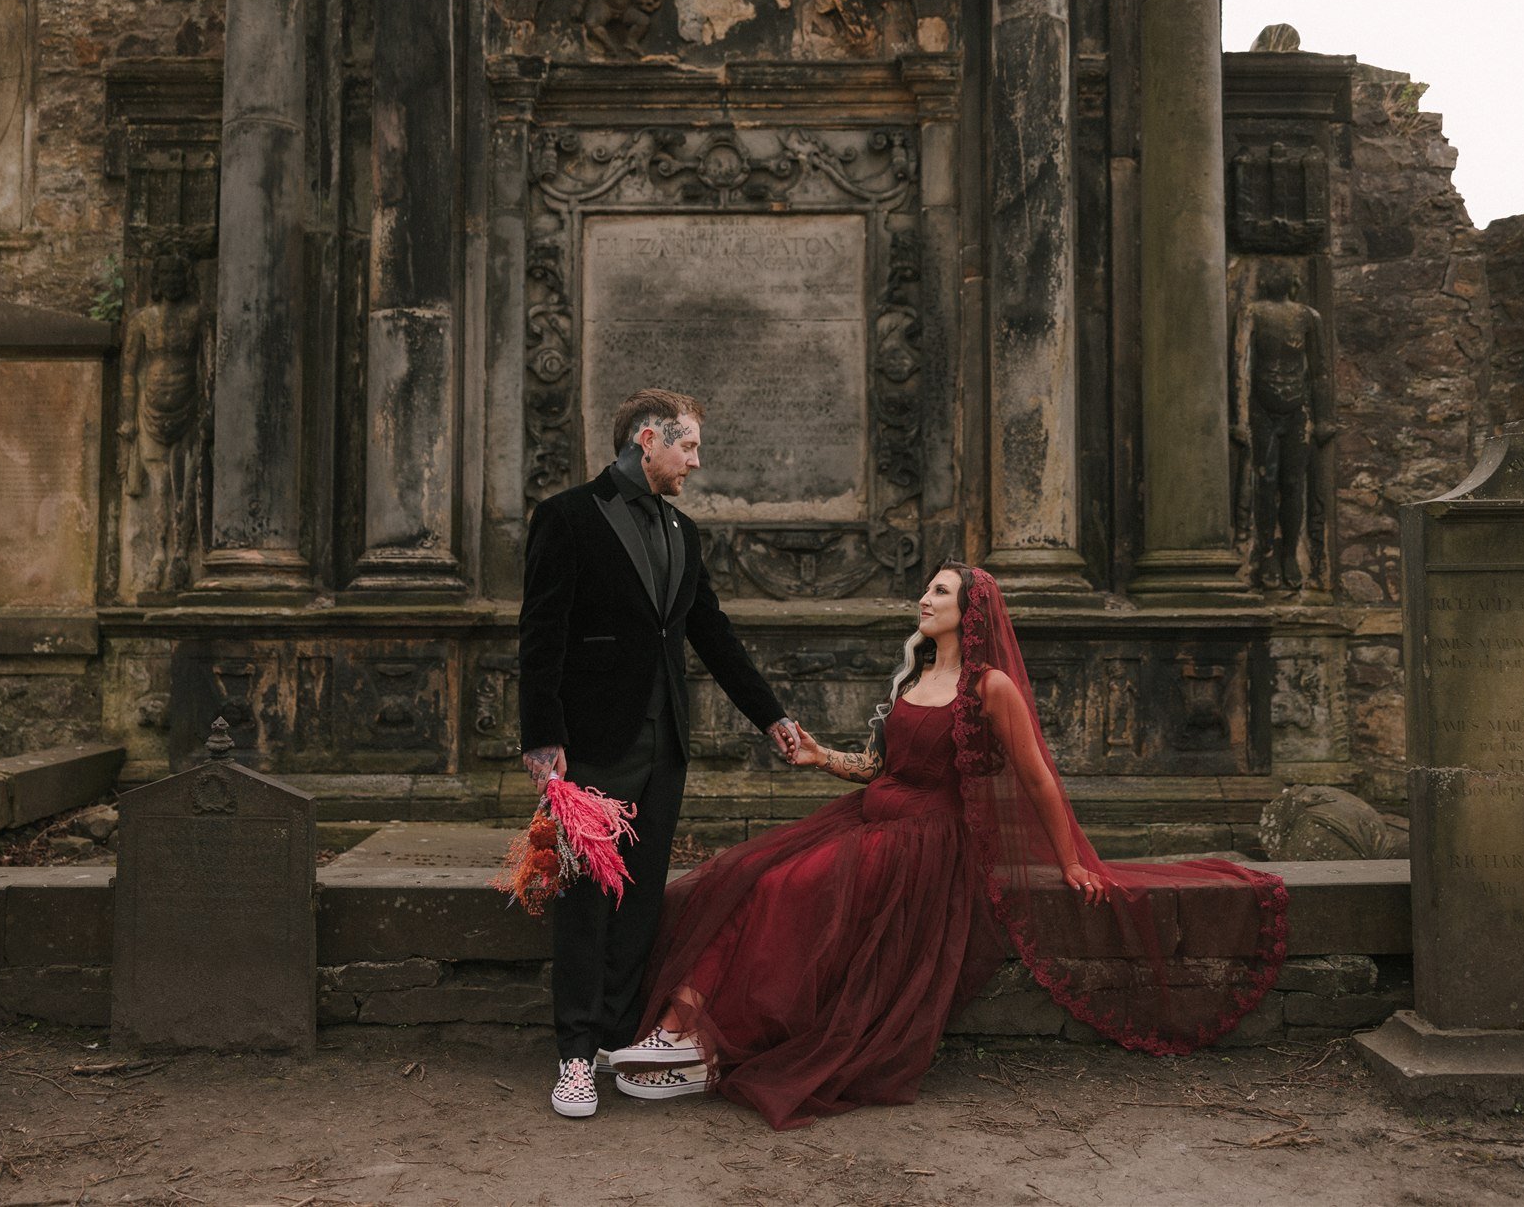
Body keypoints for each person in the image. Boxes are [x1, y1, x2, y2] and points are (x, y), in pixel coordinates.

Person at [607, 564, 1289, 1129]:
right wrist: (822, 758)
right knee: (753, 874)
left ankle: (699, 1042)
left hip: (923, 840)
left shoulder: (989, 688)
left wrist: (1073, 858)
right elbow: (883, 765)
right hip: (867, 815)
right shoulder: (912, 676)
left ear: (970, 611)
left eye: (939, 591)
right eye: (927, 590)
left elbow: (1039, 780)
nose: (924, 599)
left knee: (792, 887)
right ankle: (680, 1030)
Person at [518, 388, 801, 1118]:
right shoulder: (567, 517)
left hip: (664, 746)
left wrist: (770, 716)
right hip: (592, 747)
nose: (696, 462)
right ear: (648, 439)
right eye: (689, 447)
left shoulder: (684, 530)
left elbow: (713, 634)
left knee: (640, 899)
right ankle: (575, 1057)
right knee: (584, 901)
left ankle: (614, 1036)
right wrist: (542, 737)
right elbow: (540, 634)